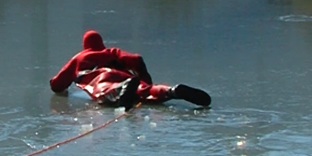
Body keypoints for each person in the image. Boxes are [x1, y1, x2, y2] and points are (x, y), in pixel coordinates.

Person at [50, 30, 211, 109]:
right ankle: (171, 91)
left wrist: (58, 86)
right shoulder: (111, 52)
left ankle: (121, 90)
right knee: (144, 90)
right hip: (123, 74)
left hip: (99, 77)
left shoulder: (79, 58)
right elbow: (136, 59)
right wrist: (145, 80)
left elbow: (57, 84)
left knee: (106, 90)